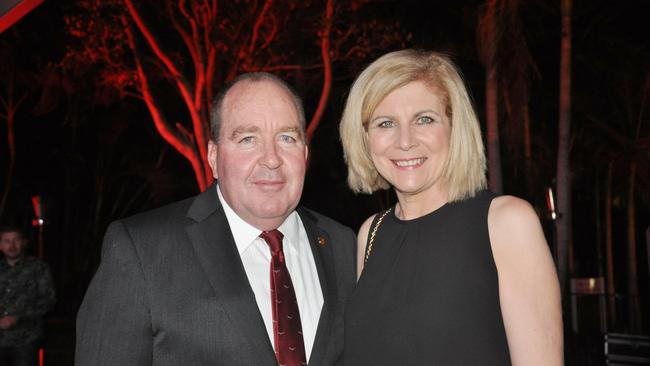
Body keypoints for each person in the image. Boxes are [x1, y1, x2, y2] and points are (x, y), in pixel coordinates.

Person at [75, 72, 356, 366]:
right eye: (248, 139)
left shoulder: (343, 245)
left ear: (305, 153)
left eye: (287, 138)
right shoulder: (142, 251)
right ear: (213, 157)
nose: (271, 158)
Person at [339, 50, 562, 365]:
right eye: (386, 123)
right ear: (364, 138)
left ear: (455, 128)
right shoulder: (370, 234)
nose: (405, 141)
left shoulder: (506, 223)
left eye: (424, 119)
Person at [0, 226, 56, 366]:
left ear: (23, 242)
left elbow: (49, 300)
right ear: (0, 245)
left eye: (16, 240)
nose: (12, 245)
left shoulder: (38, 268)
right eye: (7, 241)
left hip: (26, 340)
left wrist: (18, 317)